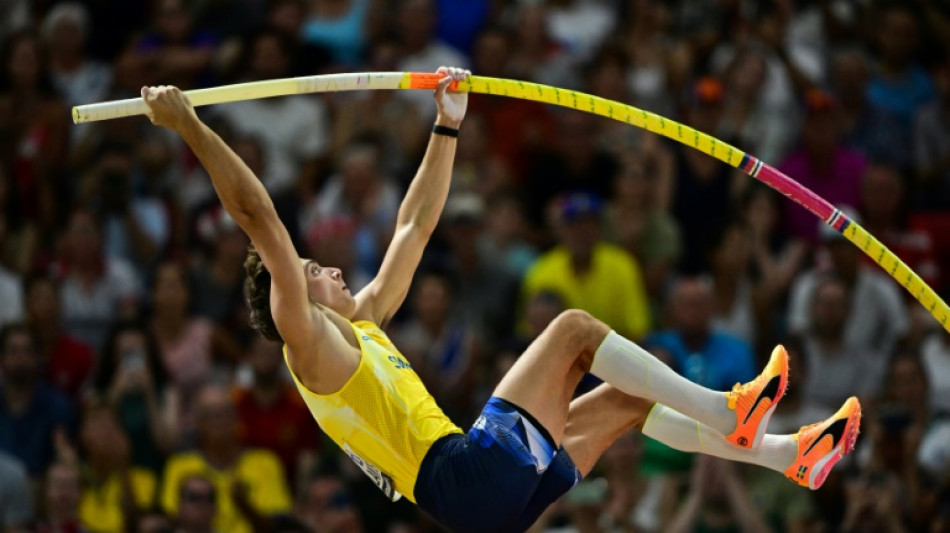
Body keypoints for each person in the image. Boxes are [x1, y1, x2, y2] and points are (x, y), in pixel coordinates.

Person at [141, 67, 861, 533]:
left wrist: (447, 123)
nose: (323, 266)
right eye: (306, 270)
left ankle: (787, 455)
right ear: (287, 298)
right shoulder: (308, 344)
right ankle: (728, 409)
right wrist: (191, 128)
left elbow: (414, 227)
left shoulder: (357, 326)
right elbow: (258, 216)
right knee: (574, 329)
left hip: (481, 502)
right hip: (461, 475)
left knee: (623, 399)